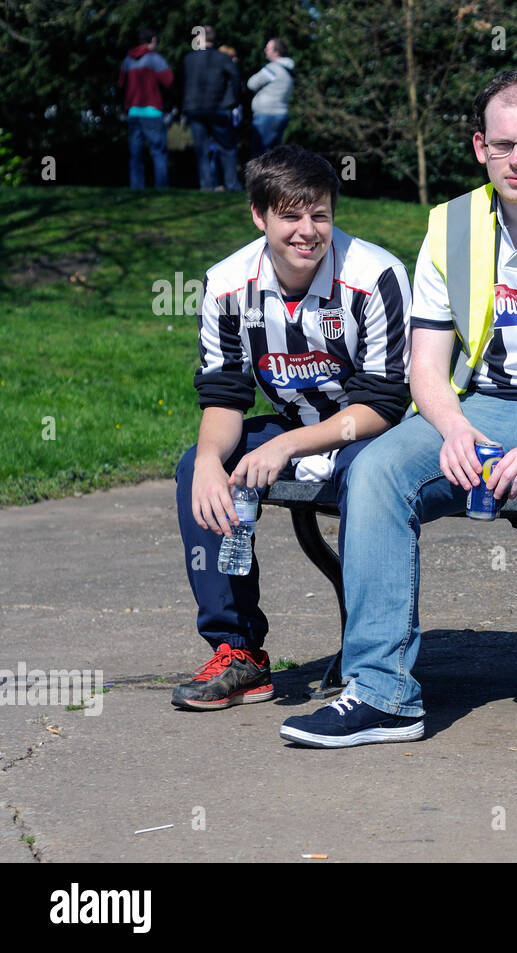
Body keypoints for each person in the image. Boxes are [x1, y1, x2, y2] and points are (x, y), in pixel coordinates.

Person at [279, 69, 517, 774]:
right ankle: (381, 693)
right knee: (380, 469)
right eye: (504, 144)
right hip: (477, 405)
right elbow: (426, 363)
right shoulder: (449, 225)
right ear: (481, 147)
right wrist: (452, 428)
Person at [173, 146, 412, 712]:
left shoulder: (376, 274)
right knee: (195, 469)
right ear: (259, 216)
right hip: (292, 424)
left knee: (372, 477)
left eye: (321, 215)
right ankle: (239, 653)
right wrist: (211, 461)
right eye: (291, 216)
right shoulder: (227, 284)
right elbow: (226, 395)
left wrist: (286, 446)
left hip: (368, 435)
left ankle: (370, 658)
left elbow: (384, 404)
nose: (308, 231)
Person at [182, 26, 241, 191]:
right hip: (218, 108)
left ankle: (206, 185)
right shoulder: (223, 58)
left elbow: (182, 83)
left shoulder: (189, 59)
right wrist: (232, 101)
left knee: (201, 149)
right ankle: (231, 184)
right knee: (227, 148)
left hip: (194, 108)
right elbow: (236, 79)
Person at [119, 28, 173, 189]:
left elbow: (121, 83)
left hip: (134, 110)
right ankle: (161, 188)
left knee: (136, 155)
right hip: (152, 110)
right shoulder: (155, 59)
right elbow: (169, 80)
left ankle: (137, 188)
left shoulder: (128, 60)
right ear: (152, 40)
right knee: (158, 152)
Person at [248, 38, 294, 156]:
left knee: (260, 154)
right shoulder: (289, 69)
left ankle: (261, 175)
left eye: (268, 48)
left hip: (266, 115)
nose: (265, 50)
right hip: (281, 114)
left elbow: (251, 83)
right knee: (274, 154)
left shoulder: (273, 69)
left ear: (276, 52)